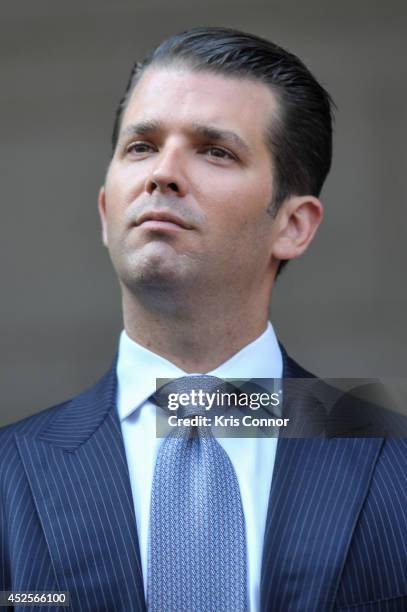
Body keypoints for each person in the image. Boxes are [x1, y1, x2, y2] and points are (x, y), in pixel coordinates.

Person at [1, 27, 406, 612]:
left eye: (215, 150)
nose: (161, 174)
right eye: (141, 146)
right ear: (105, 211)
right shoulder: (9, 475)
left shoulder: (395, 466)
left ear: (293, 225)